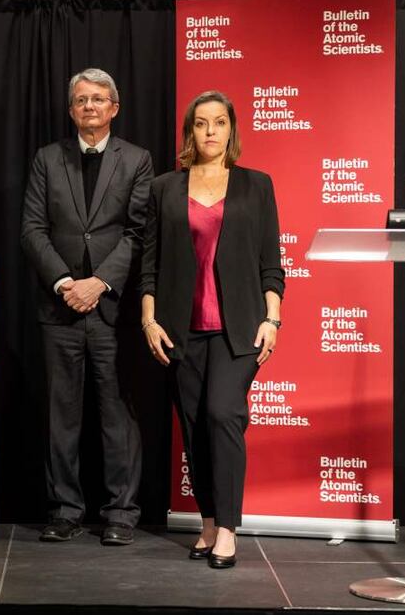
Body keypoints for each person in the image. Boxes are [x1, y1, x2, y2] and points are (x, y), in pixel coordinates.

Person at [140, 90, 284, 569]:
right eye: (201, 124)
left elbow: (271, 264)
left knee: (224, 414)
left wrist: (273, 318)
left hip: (238, 329)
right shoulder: (164, 188)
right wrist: (148, 317)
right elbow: (150, 263)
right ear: (190, 131)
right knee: (195, 426)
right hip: (182, 328)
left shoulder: (256, 186)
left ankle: (227, 527)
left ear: (231, 129)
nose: (210, 132)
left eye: (219, 123)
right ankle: (206, 519)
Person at [21, 68, 153, 545]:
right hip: (59, 308)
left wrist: (97, 283)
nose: (90, 107)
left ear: (114, 108)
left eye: (99, 99)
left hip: (111, 310)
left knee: (117, 414)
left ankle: (121, 513)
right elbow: (32, 230)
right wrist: (64, 283)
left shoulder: (137, 160)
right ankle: (65, 510)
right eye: (81, 100)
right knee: (62, 414)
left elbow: (138, 232)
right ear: (71, 109)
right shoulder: (47, 159)